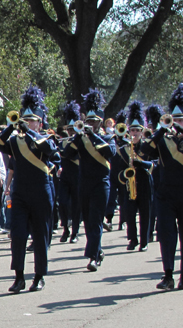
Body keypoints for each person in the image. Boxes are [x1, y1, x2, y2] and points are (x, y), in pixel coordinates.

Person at [0, 87, 59, 292]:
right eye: (25, 120)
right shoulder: (14, 141)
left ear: (40, 122)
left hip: (41, 192)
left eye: (32, 120)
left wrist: (29, 131)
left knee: (40, 235)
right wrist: (11, 127)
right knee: (18, 235)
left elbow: (51, 151)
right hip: (20, 193)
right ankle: (18, 276)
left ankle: (39, 276)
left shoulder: (46, 139)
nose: (28, 123)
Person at [61, 89, 116, 271]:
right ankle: (97, 251)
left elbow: (110, 153)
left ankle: (92, 256)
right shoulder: (81, 139)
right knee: (88, 221)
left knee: (96, 220)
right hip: (84, 183)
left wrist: (92, 135)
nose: (90, 124)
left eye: (93, 121)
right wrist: (77, 136)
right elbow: (66, 154)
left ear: (100, 122)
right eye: (88, 121)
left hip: (101, 183)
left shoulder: (107, 137)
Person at [141, 84, 183, 290]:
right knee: (166, 236)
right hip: (166, 194)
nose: (178, 123)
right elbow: (145, 150)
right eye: (176, 119)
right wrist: (161, 130)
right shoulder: (164, 139)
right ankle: (168, 275)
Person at [114, 102, 154, 252]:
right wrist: (124, 175)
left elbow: (153, 165)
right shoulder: (124, 149)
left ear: (142, 132)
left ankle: (144, 241)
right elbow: (118, 172)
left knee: (145, 213)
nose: (135, 133)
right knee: (129, 214)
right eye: (133, 130)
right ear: (129, 132)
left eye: (138, 130)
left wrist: (141, 163)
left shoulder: (148, 147)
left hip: (145, 183)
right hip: (130, 184)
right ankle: (132, 239)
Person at [57, 103, 82, 243]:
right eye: (70, 129)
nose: (72, 132)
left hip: (77, 175)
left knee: (76, 205)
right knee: (63, 203)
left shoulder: (81, 141)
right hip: (65, 176)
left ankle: (75, 232)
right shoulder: (63, 141)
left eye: (74, 129)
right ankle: (66, 228)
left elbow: (74, 156)